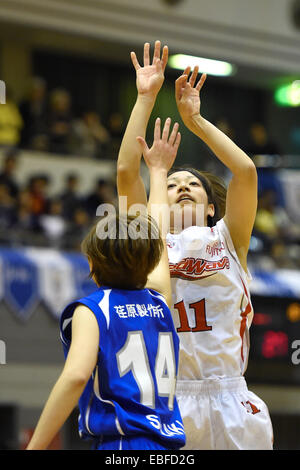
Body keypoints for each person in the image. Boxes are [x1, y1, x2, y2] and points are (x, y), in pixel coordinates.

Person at [117, 41, 273, 450]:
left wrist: (197, 122)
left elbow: (245, 171)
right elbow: (124, 171)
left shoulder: (227, 237)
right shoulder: (149, 239)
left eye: (193, 185)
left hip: (230, 396)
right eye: (171, 184)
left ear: (210, 210)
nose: (182, 186)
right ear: (158, 199)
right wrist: (146, 98)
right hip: (169, 397)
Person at [26, 117, 185, 451]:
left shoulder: (93, 309)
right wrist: (157, 173)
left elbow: (75, 377)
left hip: (121, 447)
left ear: (92, 266)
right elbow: (156, 232)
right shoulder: (159, 300)